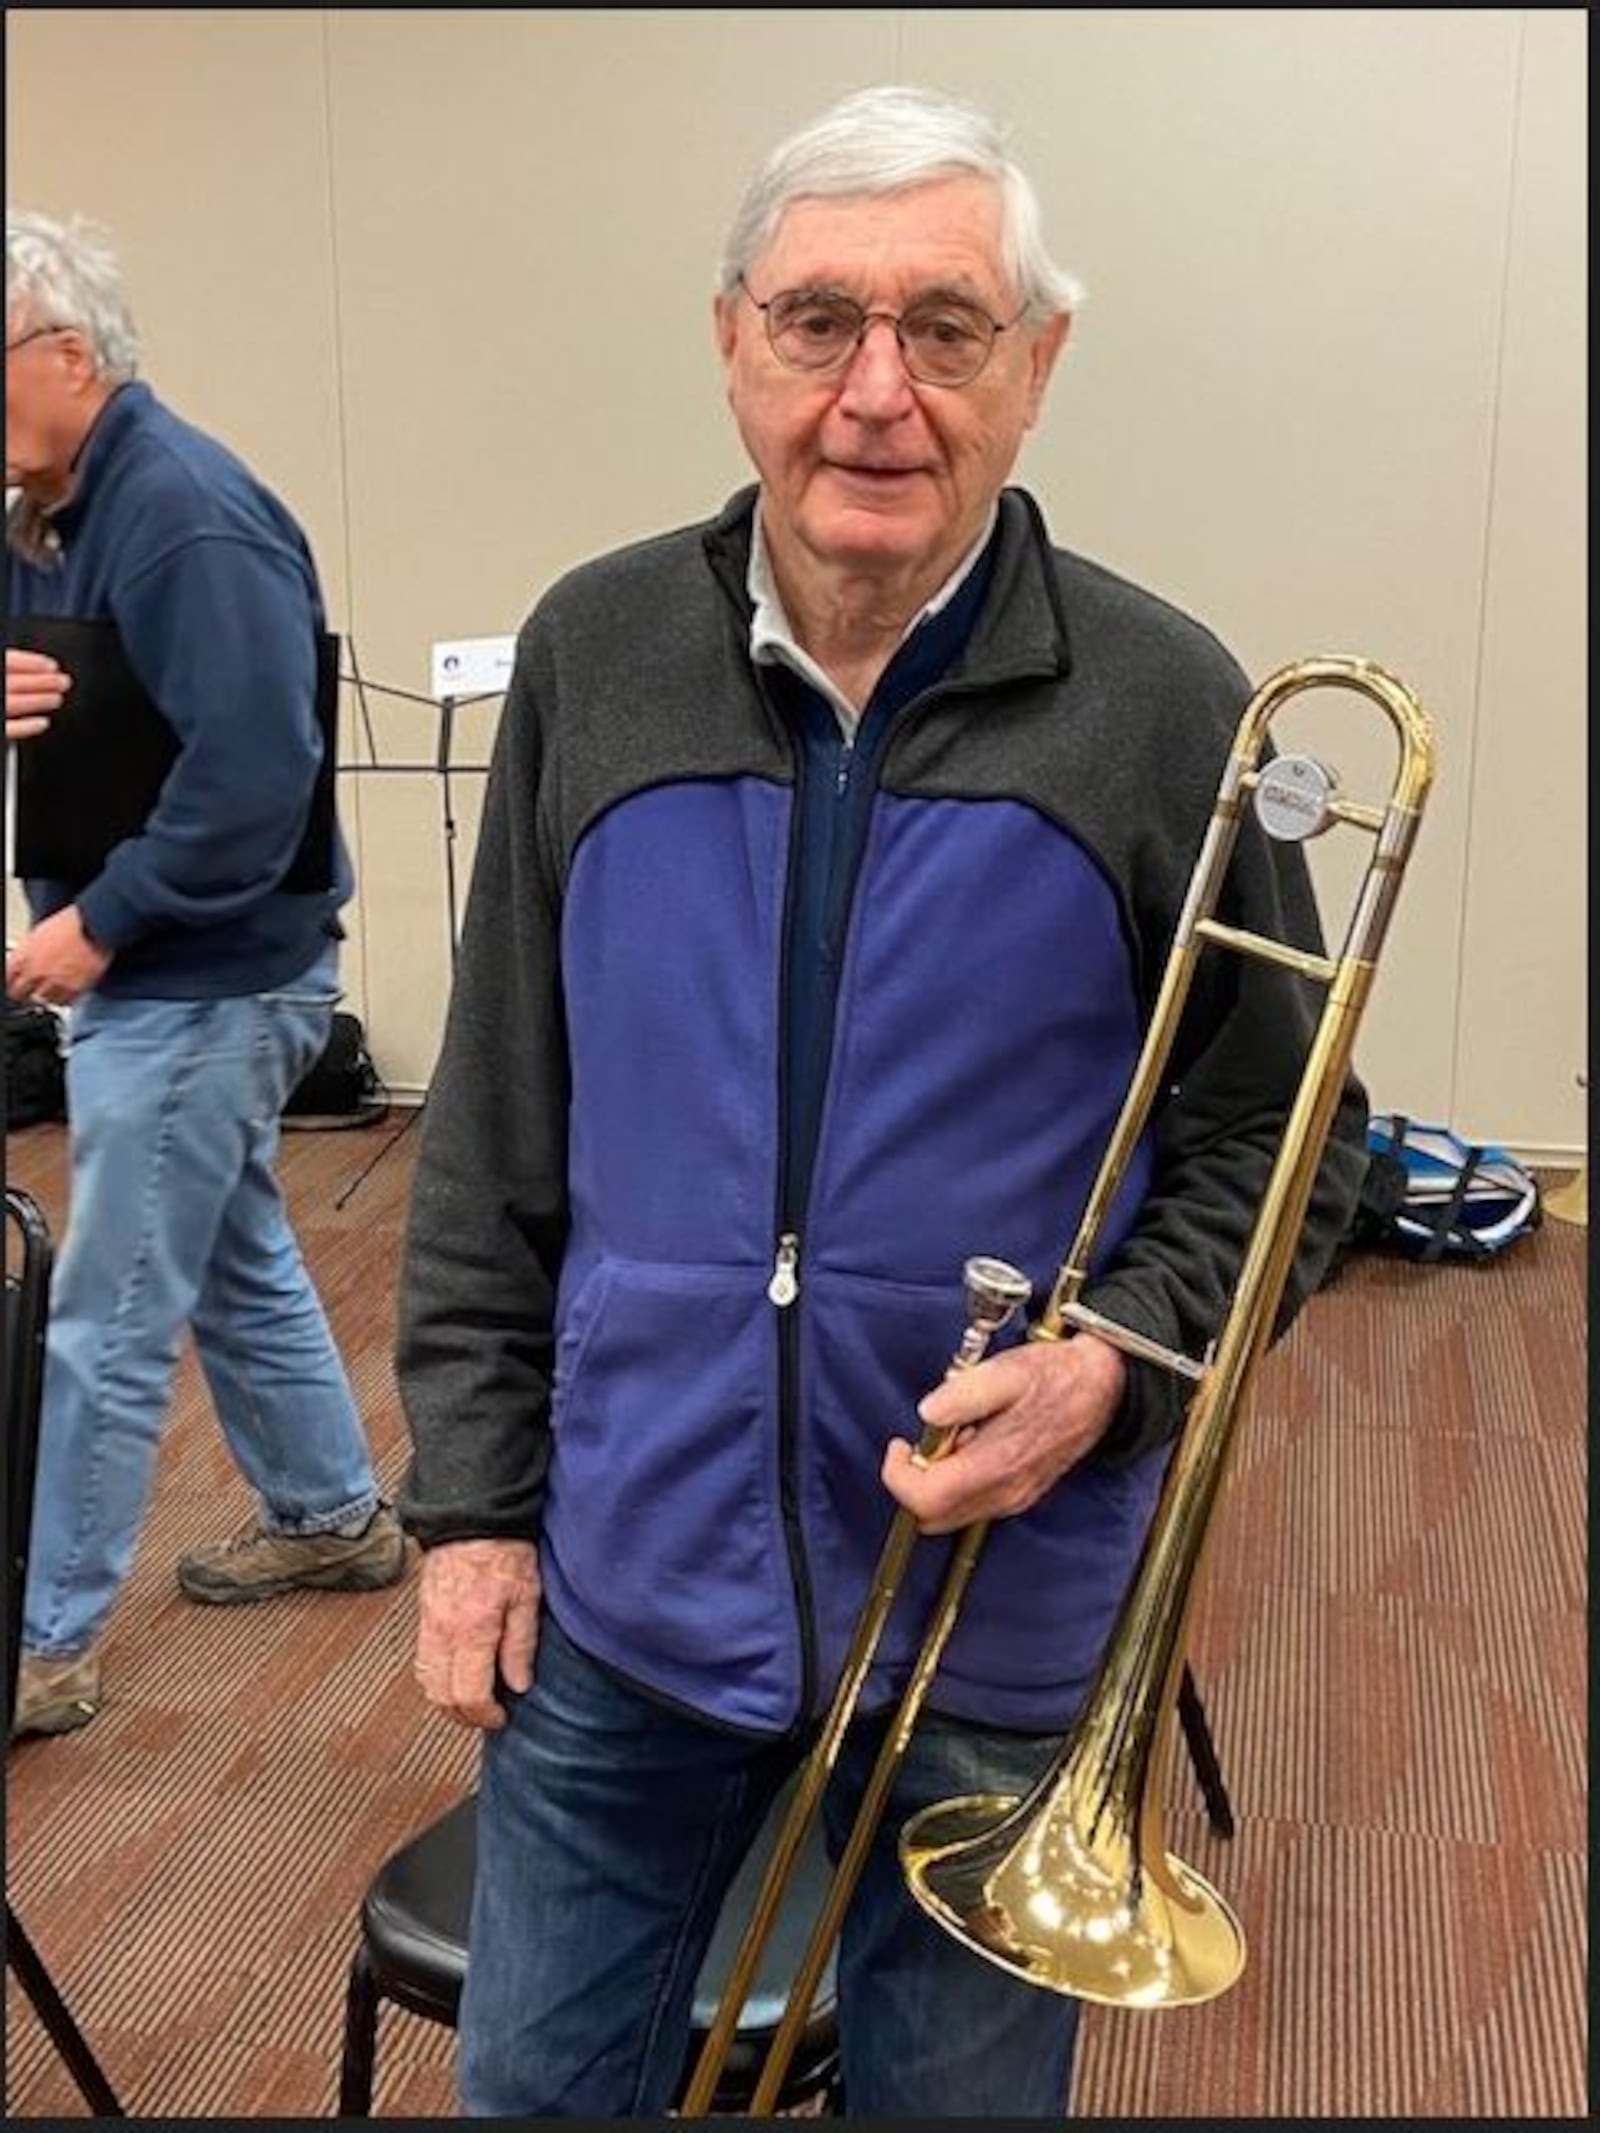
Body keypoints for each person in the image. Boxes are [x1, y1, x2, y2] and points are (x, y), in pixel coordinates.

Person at [395, 83, 1368, 2119]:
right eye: (817, 320)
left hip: (989, 1604)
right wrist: (474, 1506)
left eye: (944, 328)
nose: (874, 392)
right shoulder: (598, 650)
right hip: (631, 1572)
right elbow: (497, 1115)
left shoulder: (1164, 700)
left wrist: (1111, 1365)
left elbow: (1292, 1146)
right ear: (730, 341)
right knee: (529, 2093)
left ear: (1036, 367)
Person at [5, 210, 405, 1741]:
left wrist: (101, 921)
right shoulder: (44, 507)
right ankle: (327, 1513)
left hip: (204, 976)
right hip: (165, 973)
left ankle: (40, 1641)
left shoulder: (183, 514)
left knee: (104, 1314)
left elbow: (253, 771)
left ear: (69, 357)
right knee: (231, 1256)